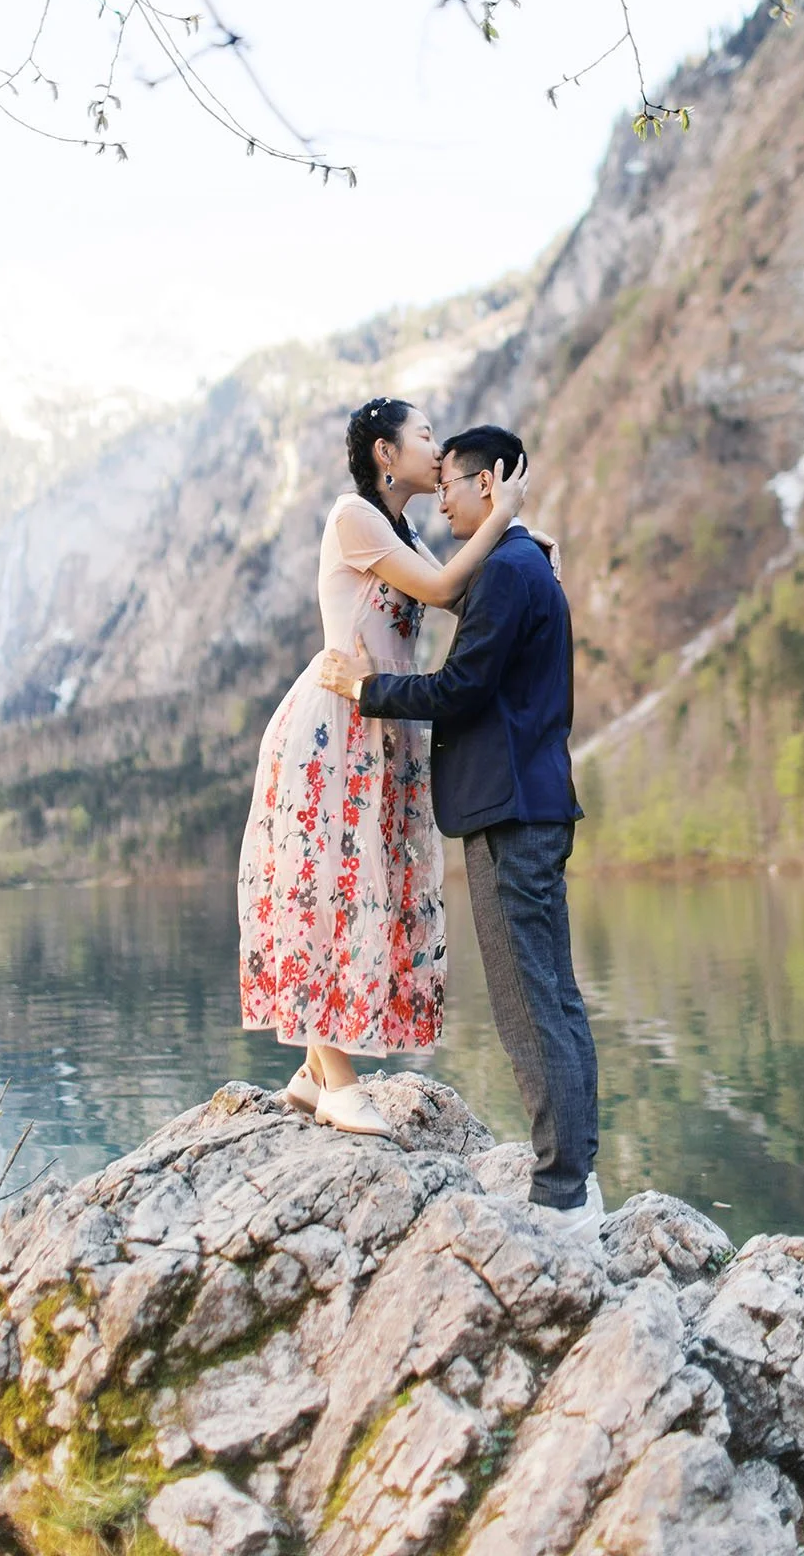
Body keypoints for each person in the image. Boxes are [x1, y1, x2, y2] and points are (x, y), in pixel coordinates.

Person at [320, 424, 601, 1242]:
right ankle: (575, 1177)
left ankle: (562, 1197)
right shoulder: (519, 563)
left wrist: (368, 688)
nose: (439, 496)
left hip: (510, 808)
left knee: (526, 1004)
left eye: (450, 483)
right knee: (553, 995)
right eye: (432, 479)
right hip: (527, 803)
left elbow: (460, 686)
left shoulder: (510, 572)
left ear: (488, 487)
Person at [237, 396, 527, 1137]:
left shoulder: (397, 529)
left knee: (366, 885)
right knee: (331, 891)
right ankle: (337, 1082)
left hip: (380, 723)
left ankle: (310, 1071)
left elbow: (459, 588)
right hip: (336, 729)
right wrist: (503, 517)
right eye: (425, 436)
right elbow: (438, 590)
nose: (438, 449)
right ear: (384, 455)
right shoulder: (354, 516)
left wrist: (517, 533)